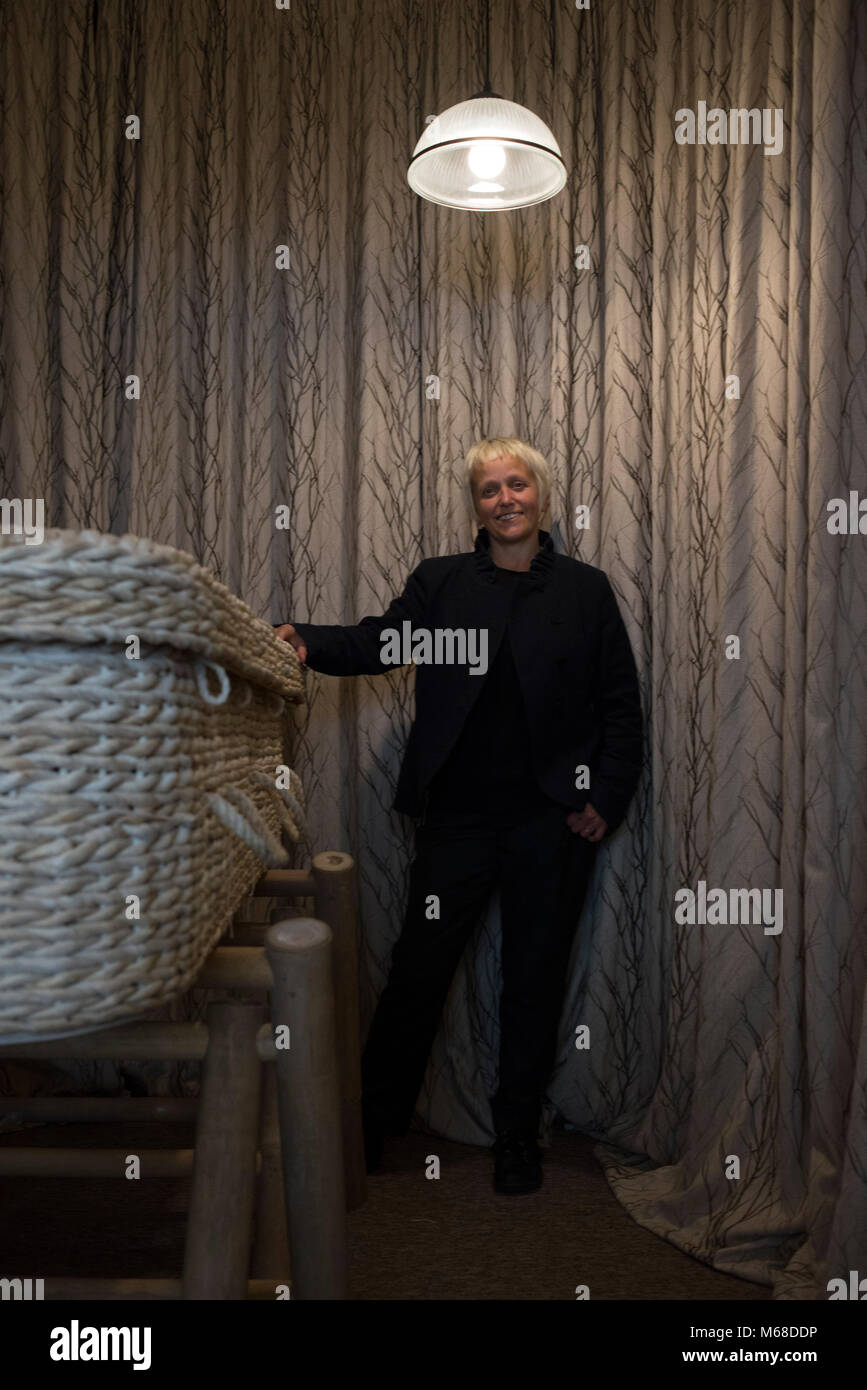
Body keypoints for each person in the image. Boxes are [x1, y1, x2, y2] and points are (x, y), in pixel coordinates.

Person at [274, 437, 643, 1194]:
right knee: (416, 974)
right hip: (457, 821)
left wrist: (605, 798)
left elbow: (619, 706)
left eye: (516, 485)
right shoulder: (442, 584)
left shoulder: (585, 590)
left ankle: (516, 1137)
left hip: (550, 822)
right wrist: (306, 640)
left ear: (539, 496)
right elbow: (381, 642)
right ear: (474, 505)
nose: (504, 499)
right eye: (487, 489)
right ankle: (366, 1131)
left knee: (533, 980)